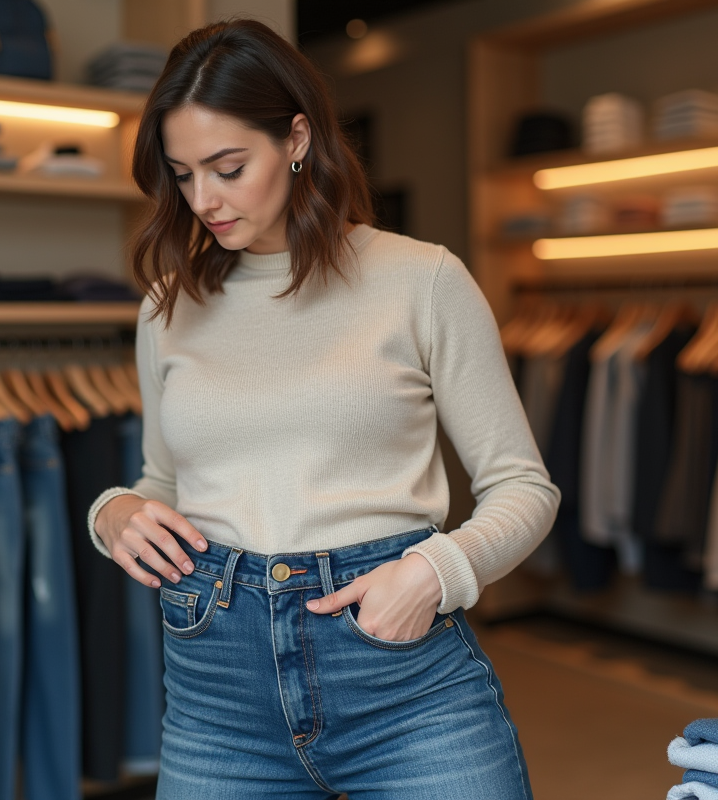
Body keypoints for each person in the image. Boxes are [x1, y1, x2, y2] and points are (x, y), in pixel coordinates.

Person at [88, 19, 559, 799]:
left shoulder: (422, 280)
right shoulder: (168, 306)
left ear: (297, 138)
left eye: (228, 167)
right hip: (216, 694)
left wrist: (436, 574)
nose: (203, 199)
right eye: (181, 174)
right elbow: (161, 482)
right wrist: (112, 513)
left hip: (403, 688)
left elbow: (524, 487)